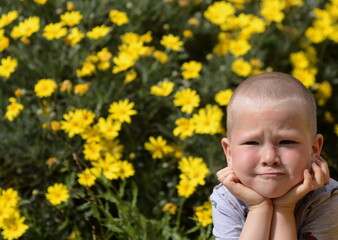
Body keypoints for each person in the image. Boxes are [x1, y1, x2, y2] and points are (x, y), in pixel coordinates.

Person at [210, 72, 338, 240]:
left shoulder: (325, 198)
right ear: (229, 152)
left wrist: (285, 208)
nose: (270, 158)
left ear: (314, 149)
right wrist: (258, 208)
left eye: (286, 141)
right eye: (252, 143)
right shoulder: (227, 198)